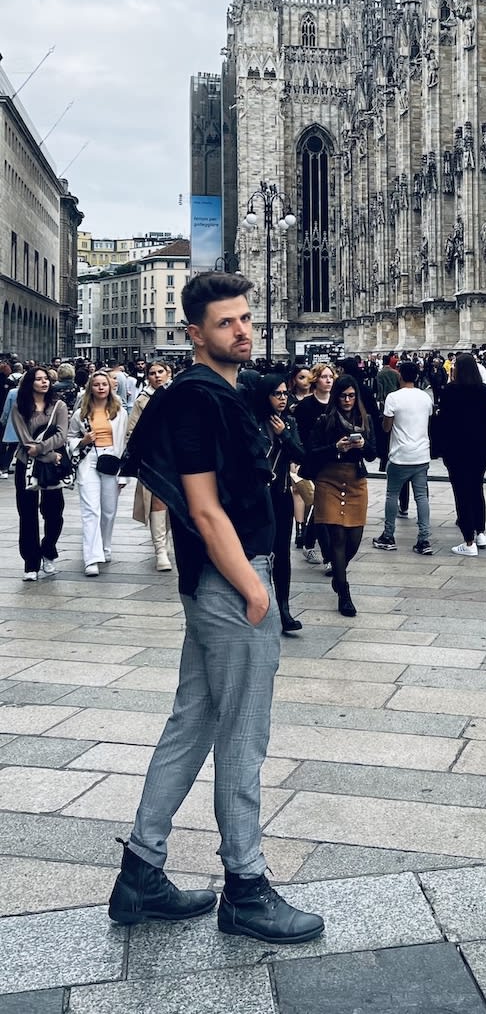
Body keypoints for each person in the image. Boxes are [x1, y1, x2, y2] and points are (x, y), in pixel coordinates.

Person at [108, 270, 323, 945]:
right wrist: (256, 590)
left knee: (192, 722)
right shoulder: (198, 399)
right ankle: (247, 886)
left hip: (220, 584)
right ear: (194, 334)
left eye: (245, 318)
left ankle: (141, 869)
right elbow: (200, 507)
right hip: (231, 584)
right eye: (227, 322)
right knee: (243, 735)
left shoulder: (226, 394)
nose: (243, 329)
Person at [305, 373, 376, 617]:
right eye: (344, 396)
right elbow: (312, 452)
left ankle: (338, 572)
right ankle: (344, 593)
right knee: (337, 537)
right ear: (337, 397)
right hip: (329, 479)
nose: (347, 400)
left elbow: (373, 454)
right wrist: (336, 448)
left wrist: (362, 445)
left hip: (356, 479)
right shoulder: (326, 420)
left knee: (354, 540)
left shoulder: (364, 420)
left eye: (352, 396)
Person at [239, 371, 304, 633]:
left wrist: (285, 436)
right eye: (276, 394)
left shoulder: (288, 422)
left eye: (285, 394)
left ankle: (284, 608)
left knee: (282, 553)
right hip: (255, 497)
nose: (282, 399)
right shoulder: (250, 421)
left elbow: (302, 454)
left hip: (281, 494)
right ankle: (256, 603)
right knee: (257, 552)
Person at [436, 352, 486, 556]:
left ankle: (468, 542)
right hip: (481, 449)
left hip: (457, 449)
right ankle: (480, 532)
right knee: (476, 488)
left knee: (461, 492)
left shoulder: (450, 391)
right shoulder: (485, 392)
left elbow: (443, 421)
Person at [11, 366, 69, 581]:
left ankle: (48, 549)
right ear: (30, 383)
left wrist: (45, 452)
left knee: (54, 512)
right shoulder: (20, 406)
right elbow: (26, 442)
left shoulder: (59, 406)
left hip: (52, 467)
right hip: (26, 464)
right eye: (39, 379)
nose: (44, 382)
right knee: (27, 514)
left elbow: (62, 435)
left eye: (46, 379)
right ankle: (31, 563)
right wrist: (49, 455)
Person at [69, 370, 129, 575]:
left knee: (109, 510)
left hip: (111, 459)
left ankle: (105, 545)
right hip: (89, 460)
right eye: (97, 384)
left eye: (104, 384)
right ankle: (91, 558)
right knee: (90, 510)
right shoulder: (81, 413)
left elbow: (124, 442)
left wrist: (124, 475)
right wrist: (82, 441)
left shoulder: (119, 411)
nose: (101, 387)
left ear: (110, 387)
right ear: (90, 388)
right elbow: (70, 437)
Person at [372, 359, 433, 555]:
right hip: (422, 454)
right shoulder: (425, 398)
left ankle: (388, 535)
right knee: (422, 497)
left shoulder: (393, 398)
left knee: (392, 495)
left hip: (400, 455)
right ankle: (424, 540)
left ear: (400, 375)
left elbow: (387, 427)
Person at [127, 360, 173, 571]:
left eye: (160, 372)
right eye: (152, 373)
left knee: (176, 504)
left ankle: (168, 540)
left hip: (177, 459)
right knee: (157, 502)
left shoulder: (179, 396)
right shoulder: (142, 400)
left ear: (168, 373)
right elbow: (132, 430)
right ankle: (160, 549)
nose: (156, 376)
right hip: (153, 459)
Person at [293, 362, 336, 566]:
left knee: (321, 507)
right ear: (315, 380)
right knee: (324, 509)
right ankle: (329, 557)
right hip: (314, 462)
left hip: (334, 461)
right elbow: (300, 436)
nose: (328, 380)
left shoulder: (336, 403)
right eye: (324, 376)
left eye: (331, 377)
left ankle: (309, 544)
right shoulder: (305, 406)